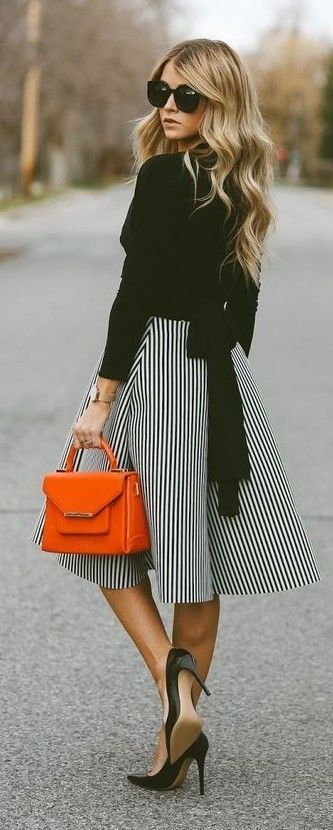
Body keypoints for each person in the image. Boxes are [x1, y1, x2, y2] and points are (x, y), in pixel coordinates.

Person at [30, 38, 321, 794]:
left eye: (187, 96)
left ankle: (170, 678)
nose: (167, 104)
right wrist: (223, 380)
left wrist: (100, 402)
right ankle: (176, 730)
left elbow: (134, 295)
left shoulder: (163, 176)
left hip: (157, 367)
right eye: (159, 89)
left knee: (94, 534)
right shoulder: (245, 184)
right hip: (219, 373)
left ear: (219, 104)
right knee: (194, 560)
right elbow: (244, 308)